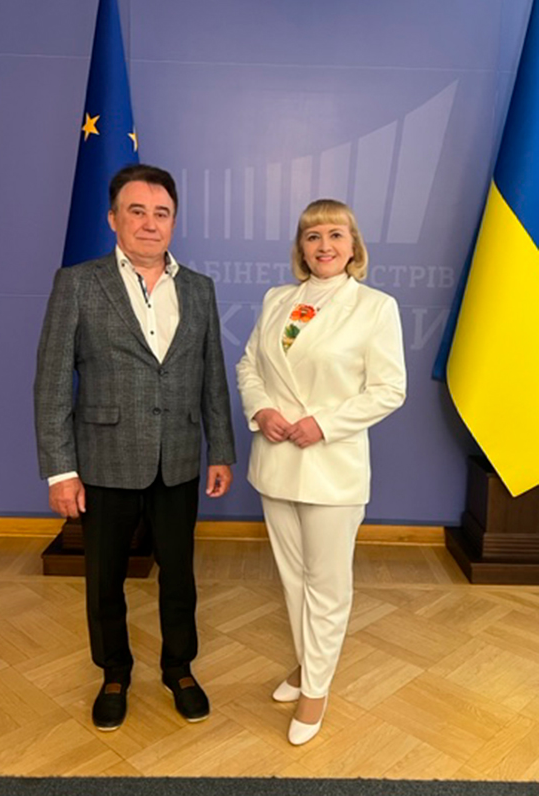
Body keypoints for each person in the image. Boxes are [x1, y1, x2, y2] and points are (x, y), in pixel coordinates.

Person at [34, 164, 235, 731]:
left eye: (161, 213)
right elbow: (52, 382)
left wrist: (221, 449)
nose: (150, 223)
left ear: (174, 221)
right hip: (104, 460)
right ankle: (114, 674)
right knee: (105, 579)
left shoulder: (199, 288)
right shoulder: (78, 283)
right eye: (137, 211)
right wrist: (60, 470)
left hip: (179, 459)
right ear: (113, 219)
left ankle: (180, 669)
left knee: (180, 575)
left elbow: (211, 376)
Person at [236, 199, 406, 746]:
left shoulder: (375, 307)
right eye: (313, 236)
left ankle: (316, 689)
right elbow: (249, 364)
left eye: (335, 234)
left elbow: (389, 390)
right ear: (301, 248)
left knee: (327, 584)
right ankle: (309, 663)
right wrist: (262, 409)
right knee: (293, 578)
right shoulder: (277, 299)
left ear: (354, 246)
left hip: (331, 466)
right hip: (276, 460)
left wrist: (324, 424)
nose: (324, 245)